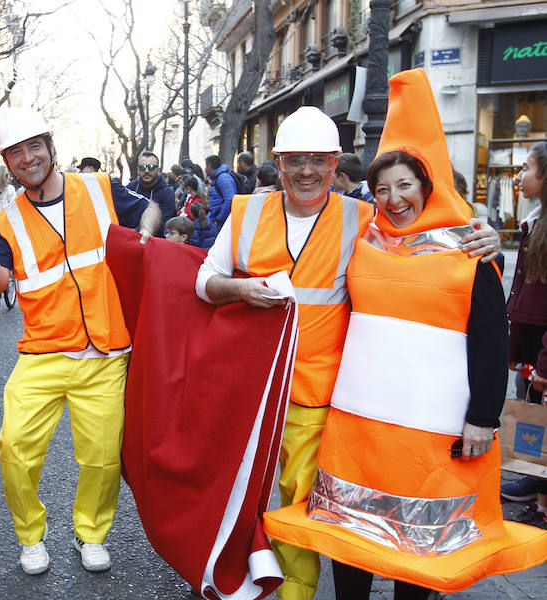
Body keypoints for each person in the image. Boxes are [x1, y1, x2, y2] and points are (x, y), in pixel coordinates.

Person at [195, 101, 501, 600]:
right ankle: (218, 573)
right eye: (296, 159)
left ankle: (296, 590)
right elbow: (203, 280)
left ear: (336, 165)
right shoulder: (244, 212)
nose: (308, 170)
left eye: (320, 160)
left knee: (307, 506)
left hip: (321, 399)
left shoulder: (365, 219)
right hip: (248, 393)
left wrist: (479, 236)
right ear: (278, 161)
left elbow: (422, 236)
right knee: (230, 492)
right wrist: (239, 291)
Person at [263, 68, 547, 599]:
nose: (394, 199)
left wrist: (483, 417)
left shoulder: (468, 250)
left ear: (427, 186)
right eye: (382, 189)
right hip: (359, 426)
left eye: (405, 186)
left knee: (418, 547)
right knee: (352, 536)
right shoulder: (365, 238)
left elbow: (490, 338)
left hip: (431, 429)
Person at [0, 106, 160, 576]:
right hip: (43, 352)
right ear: (6, 163)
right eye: (16, 153)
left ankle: (90, 533)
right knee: (13, 446)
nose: (28, 158)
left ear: (51, 146)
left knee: (101, 457)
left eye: (35, 146)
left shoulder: (98, 188)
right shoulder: (5, 218)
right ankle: (31, 536)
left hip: (106, 353)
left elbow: (150, 208)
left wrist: (145, 237)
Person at [502, 142, 547, 524]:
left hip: (544, 347)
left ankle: (540, 492)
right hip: (532, 341)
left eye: (527, 168)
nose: (519, 176)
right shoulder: (534, 219)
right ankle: (532, 477)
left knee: (540, 411)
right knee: (530, 410)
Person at [127, 151, 176, 225]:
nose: (146, 171)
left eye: (151, 167)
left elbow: (165, 223)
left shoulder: (167, 193)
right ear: (138, 170)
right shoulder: (130, 188)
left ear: (158, 170)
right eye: (142, 167)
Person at [205, 155, 237, 227]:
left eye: (206, 166)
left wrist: (219, 219)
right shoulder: (218, 178)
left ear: (209, 166)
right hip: (216, 219)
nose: (205, 169)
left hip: (221, 222)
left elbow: (229, 200)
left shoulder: (223, 179)